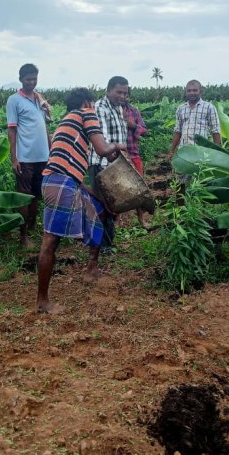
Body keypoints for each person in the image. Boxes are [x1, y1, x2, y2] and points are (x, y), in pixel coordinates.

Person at [37, 88, 124, 314]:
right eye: (92, 103)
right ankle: (43, 302)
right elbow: (103, 149)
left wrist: (98, 199)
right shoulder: (86, 113)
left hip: (63, 182)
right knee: (50, 242)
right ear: (87, 102)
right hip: (60, 184)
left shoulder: (65, 123)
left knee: (99, 212)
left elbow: (70, 169)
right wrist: (118, 147)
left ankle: (91, 269)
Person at [6, 63, 51, 249]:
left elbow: (45, 126)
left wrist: (51, 148)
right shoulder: (14, 100)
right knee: (24, 196)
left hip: (43, 157)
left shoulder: (39, 100)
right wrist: (14, 157)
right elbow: (12, 130)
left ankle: (32, 228)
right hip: (25, 158)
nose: (31, 82)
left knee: (36, 195)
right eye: (28, 79)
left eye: (34, 79)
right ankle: (23, 236)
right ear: (21, 79)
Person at [88, 76, 130, 252]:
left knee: (112, 203)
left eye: (125, 93)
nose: (122, 96)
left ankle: (108, 241)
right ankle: (101, 245)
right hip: (102, 163)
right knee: (102, 204)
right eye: (119, 92)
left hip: (115, 163)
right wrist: (119, 150)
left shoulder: (118, 107)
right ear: (109, 90)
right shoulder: (101, 107)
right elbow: (103, 140)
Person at [168, 79, 221, 159]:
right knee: (182, 172)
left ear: (200, 91)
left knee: (200, 171)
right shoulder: (181, 108)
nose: (192, 93)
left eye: (195, 90)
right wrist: (172, 151)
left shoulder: (209, 107)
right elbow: (177, 131)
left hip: (202, 151)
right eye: (189, 91)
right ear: (186, 92)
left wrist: (216, 153)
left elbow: (216, 131)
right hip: (184, 150)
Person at [124, 90, 150, 227]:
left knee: (139, 188)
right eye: (121, 94)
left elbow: (144, 130)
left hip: (133, 153)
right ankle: (117, 220)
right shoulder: (110, 111)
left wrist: (133, 126)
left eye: (126, 94)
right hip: (115, 157)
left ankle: (141, 218)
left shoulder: (134, 112)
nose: (124, 97)